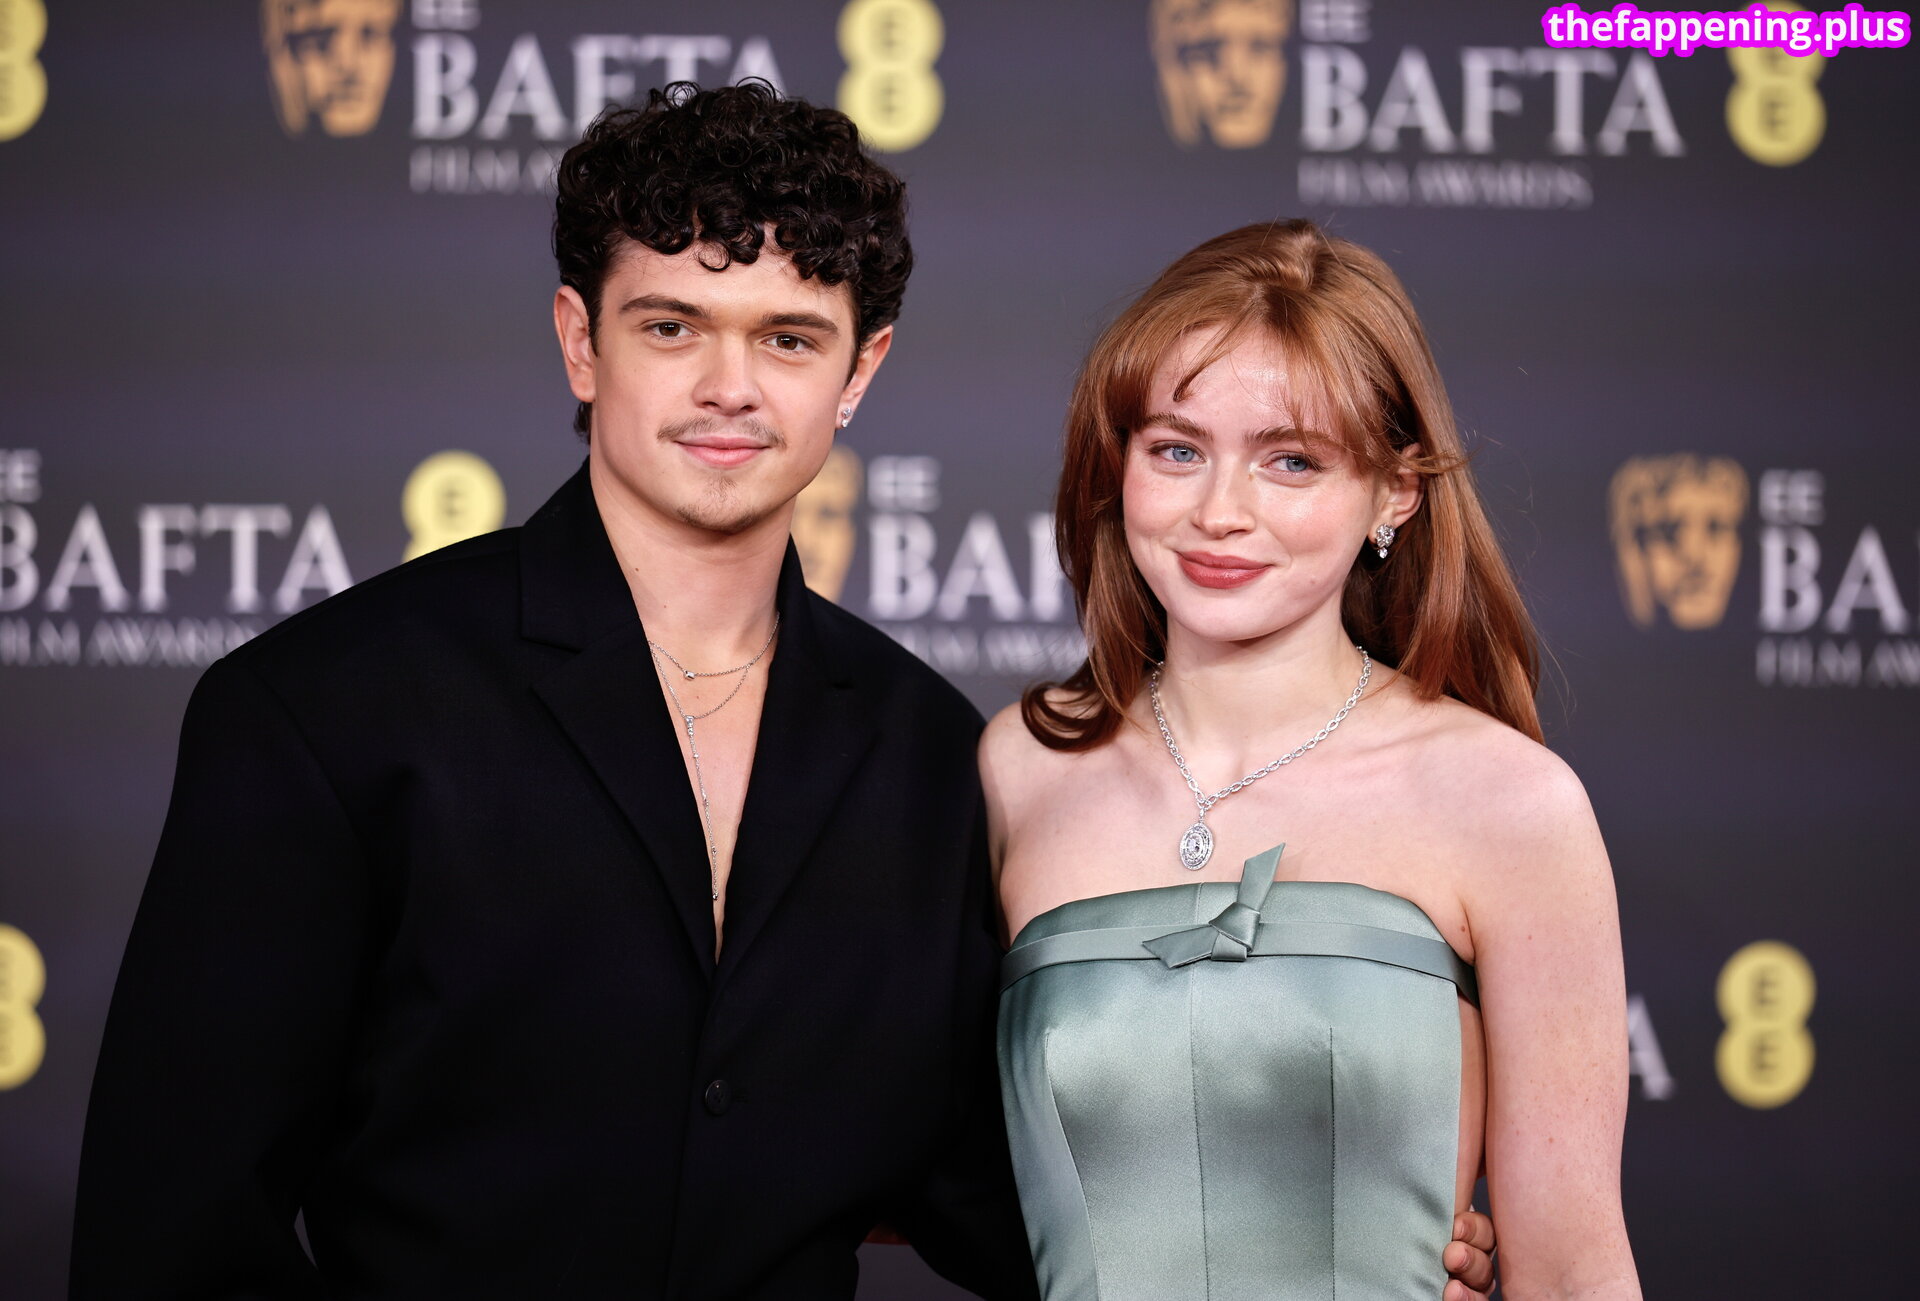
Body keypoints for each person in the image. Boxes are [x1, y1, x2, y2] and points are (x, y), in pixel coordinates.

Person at [70, 82, 1498, 1298]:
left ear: (860, 369)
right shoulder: (327, 710)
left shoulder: (929, 755)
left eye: (788, 338)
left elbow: (1009, 1195)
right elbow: (170, 1235)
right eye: (672, 327)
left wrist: (1317, 1248)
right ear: (579, 340)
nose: (729, 387)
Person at [982, 222, 1640, 1299]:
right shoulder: (1019, 767)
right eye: (1177, 449)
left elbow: (1573, 1270)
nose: (1220, 512)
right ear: (1120, 464)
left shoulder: (1508, 803)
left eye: (1291, 460)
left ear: (1396, 490)